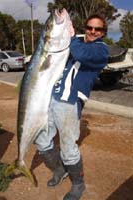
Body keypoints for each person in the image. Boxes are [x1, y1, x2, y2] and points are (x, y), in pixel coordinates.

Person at [34, 14, 109, 200]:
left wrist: (72, 35)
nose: (92, 31)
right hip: (50, 99)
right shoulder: (73, 44)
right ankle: (60, 170)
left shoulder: (101, 50)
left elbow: (81, 55)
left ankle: (78, 184)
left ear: (103, 32)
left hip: (70, 101)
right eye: (89, 27)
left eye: (97, 29)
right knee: (41, 140)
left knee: (68, 147)